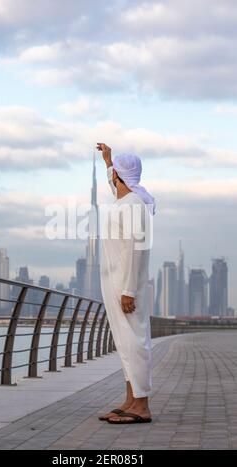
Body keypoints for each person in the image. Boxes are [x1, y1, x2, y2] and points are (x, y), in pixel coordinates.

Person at [96, 143, 155, 424]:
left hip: (125, 287)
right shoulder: (124, 200)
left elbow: (136, 249)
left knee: (135, 342)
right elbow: (114, 185)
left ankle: (141, 405)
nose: (112, 178)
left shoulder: (133, 204)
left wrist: (128, 290)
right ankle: (130, 400)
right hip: (115, 284)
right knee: (124, 343)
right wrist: (108, 160)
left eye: (114, 173)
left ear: (120, 176)